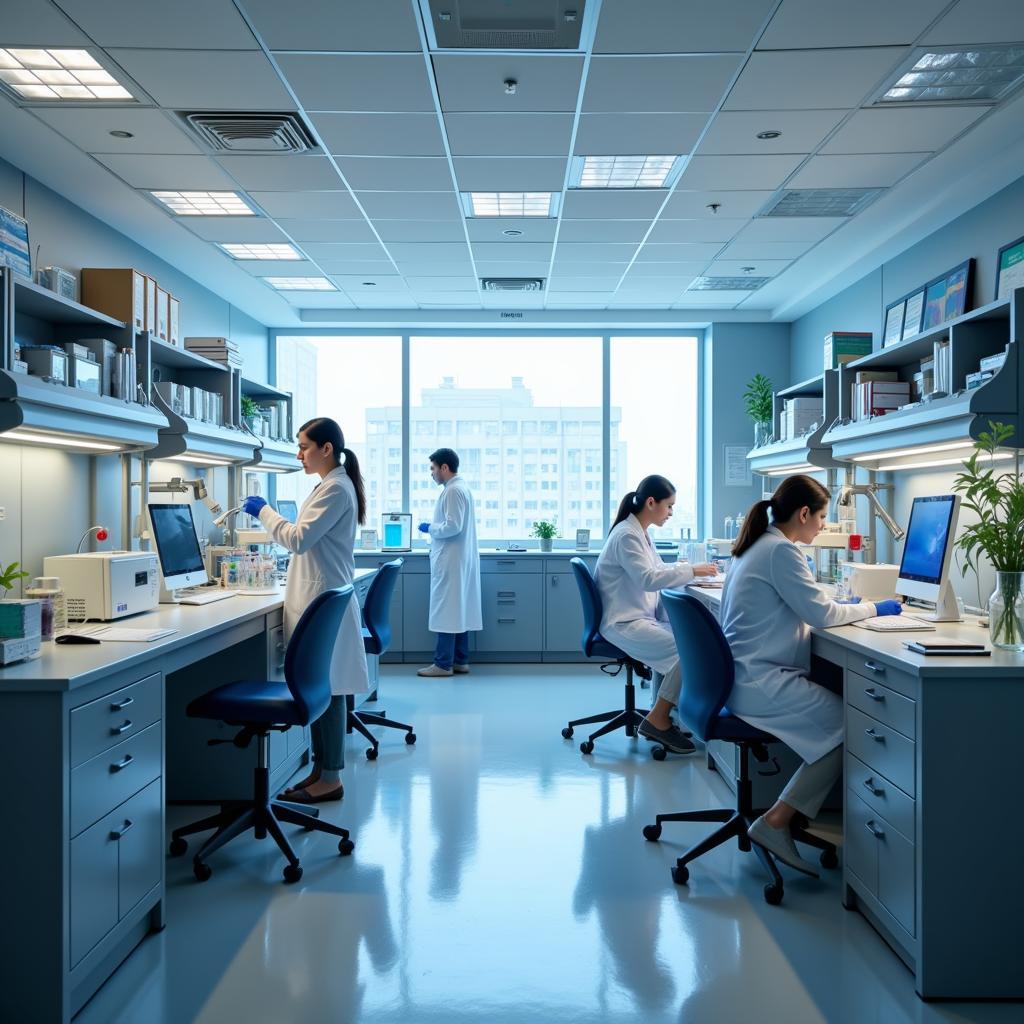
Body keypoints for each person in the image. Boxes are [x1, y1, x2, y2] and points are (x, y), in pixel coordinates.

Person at [720, 474, 903, 875]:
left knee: (841, 718)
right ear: (803, 513)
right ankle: (777, 820)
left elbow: (805, 607)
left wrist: (844, 605)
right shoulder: (780, 552)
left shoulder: (756, 545)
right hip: (761, 682)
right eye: (821, 517)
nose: (823, 526)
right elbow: (821, 614)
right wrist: (876, 608)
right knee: (849, 726)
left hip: (744, 678)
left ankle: (799, 813)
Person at [242, 417, 370, 804]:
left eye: (304, 447)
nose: (299, 454)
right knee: (324, 690)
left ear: (326, 448)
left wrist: (263, 511)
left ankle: (329, 778)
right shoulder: (331, 486)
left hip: (321, 600)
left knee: (326, 691)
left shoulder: (335, 489)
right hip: (319, 597)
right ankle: (321, 772)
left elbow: (298, 539)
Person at [595, 475, 718, 755]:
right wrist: (693, 571)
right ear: (651, 502)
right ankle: (658, 718)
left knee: (688, 645)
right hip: (623, 622)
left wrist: (688, 570)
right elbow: (648, 579)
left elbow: (658, 569)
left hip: (636, 616)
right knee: (689, 652)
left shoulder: (639, 532)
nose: (671, 513)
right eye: (669, 506)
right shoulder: (627, 535)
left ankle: (662, 714)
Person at [416, 447, 482, 677]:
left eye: (433, 468)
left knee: (447, 612)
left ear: (444, 467)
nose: (431, 473)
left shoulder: (454, 491)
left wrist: (430, 528)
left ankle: (443, 664)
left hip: (452, 562)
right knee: (458, 611)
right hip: (457, 560)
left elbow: (453, 526)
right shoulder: (459, 488)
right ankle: (460, 661)